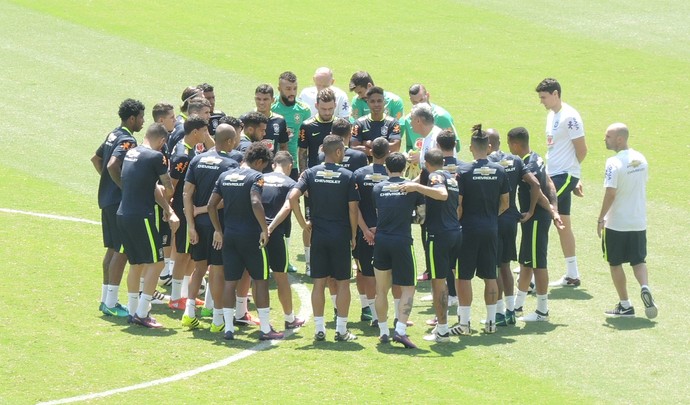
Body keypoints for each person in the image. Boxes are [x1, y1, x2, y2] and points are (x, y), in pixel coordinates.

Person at [208, 142, 284, 341]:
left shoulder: (225, 176)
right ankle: (266, 329)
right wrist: (264, 228)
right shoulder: (256, 177)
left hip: (230, 236)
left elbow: (210, 206)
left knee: (229, 282)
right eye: (264, 165)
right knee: (260, 280)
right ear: (258, 161)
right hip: (251, 237)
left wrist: (218, 230)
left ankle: (229, 329)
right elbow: (255, 201)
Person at [288, 135, 359, 342]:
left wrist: (303, 224)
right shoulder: (347, 175)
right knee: (343, 283)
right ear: (337, 152)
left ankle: (319, 329)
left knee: (319, 283)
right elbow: (353, 209)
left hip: (318, 234)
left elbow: (292, 197)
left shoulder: (310, 173)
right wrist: (353, 234)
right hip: (340, 235)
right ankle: (341, 330)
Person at [117, 123, 179, 328]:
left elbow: (151, 187)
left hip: (123, 214)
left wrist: (167, 210)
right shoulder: (155, 157)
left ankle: (133, 309)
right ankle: (143, 312)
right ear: (162, 141)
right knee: (157, 263)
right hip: (142, 216)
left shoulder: (131, 153)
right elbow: (168, 187)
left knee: (136, 264)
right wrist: (169, 200)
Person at [181, 124, 240, 331]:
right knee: (216, 271)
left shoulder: (197, 159)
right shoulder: (231, 164)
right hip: (218, 225)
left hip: (197, 225)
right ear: (231, 142)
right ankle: (217, 320)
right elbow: (225, 199)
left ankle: (188, 313)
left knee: (198, 268)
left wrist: (190, 224)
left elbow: (186, 194)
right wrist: (206, 211)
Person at [91, 98, 145, 317]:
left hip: (107, 199)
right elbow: (113, 165)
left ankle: (106, 299)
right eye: (141, 117)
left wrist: (107, 182)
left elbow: (96, 159)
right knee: (121, 250)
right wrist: (124, 188)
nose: (143, 121)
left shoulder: (113, 134)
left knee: (113, 249)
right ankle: (112, 302)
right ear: (132, 118)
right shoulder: (127, 140)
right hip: (118, 202)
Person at [452, 127, 509, 335]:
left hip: (468, 229)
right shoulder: (500, 171)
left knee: (464, 277)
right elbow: (505, 203)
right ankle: (491, 322)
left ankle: (465, 324)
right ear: (490, 147)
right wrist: (492, 217)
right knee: (490, 276)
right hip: (491, 228)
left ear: (470, 148)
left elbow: (459, 205)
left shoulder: (464, 171)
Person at [597, 123, 657, 319]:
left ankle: (625, 305)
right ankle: (645, 287)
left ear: (619, 139)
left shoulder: (613, 163)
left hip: (617, 223)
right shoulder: (642, 159)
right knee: (638, 261)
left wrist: (600, 218)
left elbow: (610, 193)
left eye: (607, 136)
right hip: (638, 221)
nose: (604, 139)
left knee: (615, 263)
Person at [506, 127, 563, 322]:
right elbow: (549, 183)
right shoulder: (536, 158)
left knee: (538, 264)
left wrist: (539, 211)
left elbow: (538, 190)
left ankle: (542, 311)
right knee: (526, 263)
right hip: (535, 220)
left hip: (537, 219)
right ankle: (517, 306)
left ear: (514, 144)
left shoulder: (527, 165)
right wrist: (554, 208)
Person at [536, 78, 588, 288]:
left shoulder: (570, 117)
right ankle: (572, 274)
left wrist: (573, 175)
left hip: (563, 176)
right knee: (563, 224)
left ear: (556, 94)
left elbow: (582, 150)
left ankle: (531, 270)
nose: (542, 101)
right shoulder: (551, 115)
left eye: (544, 97)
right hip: (555, 175)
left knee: (541, 212)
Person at [373, 152, 425, 348]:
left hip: (382, 240)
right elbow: (421, 218)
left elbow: (380, 214)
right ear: (404, 168)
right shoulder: (412, 188)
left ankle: (383, 331)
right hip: (402, 241)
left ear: (386, 168)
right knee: (408, 288)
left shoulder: (378, 188)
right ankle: (401, 330)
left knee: (381, 290)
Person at [167, 116, 211, 310]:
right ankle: (176, 297)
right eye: (204, 131)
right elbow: (171, 184)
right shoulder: (182, 155)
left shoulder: (189, 150)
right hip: (182, 209)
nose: (206, 135)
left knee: (190, 254)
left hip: (189, 208)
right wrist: (168, 208)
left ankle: (184, 294)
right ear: (195, 132)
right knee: (183, 253)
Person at [261, 151, 306, 329]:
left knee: (258, 279)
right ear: (289, 166)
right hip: (275, 234)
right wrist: (271, 228)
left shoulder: (261, 178)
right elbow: (288, 207)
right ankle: (289, 318)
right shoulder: (291, 183)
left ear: (273, 165)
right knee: (281, 278)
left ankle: (244, 313)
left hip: (256, 232)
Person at [298, 88, 337, 275]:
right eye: (324, 109)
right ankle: (309, 261)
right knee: (310, 222)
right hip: (314, 182)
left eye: (330, 109)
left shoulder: (341, 125)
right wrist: (304, 181)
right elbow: (302, 154)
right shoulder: (307, 126)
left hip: (336, 182)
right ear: (316, 106)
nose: (327, 112)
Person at [353, 138, 391, 328]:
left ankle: (372, 312)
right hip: (388, 233)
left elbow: (354, 206)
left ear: (370, 151)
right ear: (388, 153)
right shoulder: (392, 175)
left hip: (364, 234)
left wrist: (365, 230)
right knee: (388, 273)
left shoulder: (359, 174)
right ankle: (389, 313)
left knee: (365, 272)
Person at [487, 128, 522, 326]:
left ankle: (499, 313)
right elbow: (533, 183)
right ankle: (511, 311)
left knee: (494, 268)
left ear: (489, 145)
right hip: (511, 220)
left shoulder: (488, 164)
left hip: (494, 221)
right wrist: (531, 210)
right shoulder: (515, 160)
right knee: (506, 267)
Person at [151, 102, 177, 288]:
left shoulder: (164, 142)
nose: (175, 121)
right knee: (157, 239)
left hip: (163, 199)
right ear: (161, 120)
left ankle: (164, 273)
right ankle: (155, 280)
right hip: (156, 201)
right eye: (172, 118)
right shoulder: (155, 146)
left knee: (166, 235)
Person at [271, 71, 312, 180]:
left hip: (293, 164)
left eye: (295, 88)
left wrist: (303, 168)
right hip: (272, 163)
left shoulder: (304, 110)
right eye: (288, 89)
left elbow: (306, 140)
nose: (292, 93)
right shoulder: (271, 106)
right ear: (279, 88)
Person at [400, 84, 459, 155]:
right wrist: (407, 154)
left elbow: (455, 146)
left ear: (427, 95)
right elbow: (409, 147)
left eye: (421, 100)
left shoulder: (442, 117)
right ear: (411, 100)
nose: (419, 104)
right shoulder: (409, 120)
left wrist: (422, 157)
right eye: (415, 102)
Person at [351, 86, 402, 159]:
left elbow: (395, 147)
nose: (376, 104)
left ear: (384, 102)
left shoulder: (393, 123)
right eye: (372, 101)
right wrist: (378, 149)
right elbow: (353, 147)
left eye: (379, 101)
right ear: (367, 103)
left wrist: (367, 143)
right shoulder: (358, 123)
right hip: (365, 165)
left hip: (385, 166)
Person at [254, 84, 289, 155]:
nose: (261, 102)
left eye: (265, 99)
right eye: (258, 99)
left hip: (271, 164)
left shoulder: (279, 121)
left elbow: (283, 146)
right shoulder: (247, 119)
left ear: (273, 100)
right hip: (251, 165)